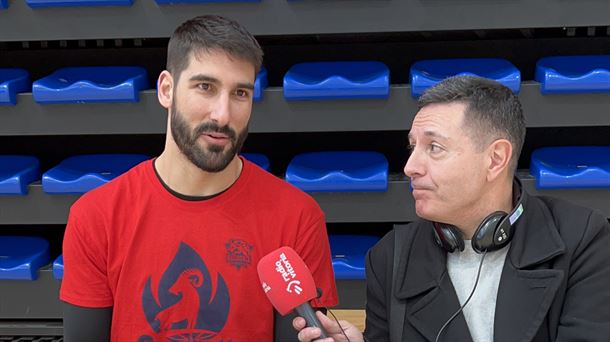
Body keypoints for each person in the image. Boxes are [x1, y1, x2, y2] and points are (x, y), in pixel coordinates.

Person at [60, 15, 338, 342]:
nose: (223, 114)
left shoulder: (297, 218)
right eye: (205, 87)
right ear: (167, 89)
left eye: (240, 93)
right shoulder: (96, 216)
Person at [294, 75, 610, 342]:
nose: (410, 167)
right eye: (412, 146)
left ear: (495, 159)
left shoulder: (582, 239)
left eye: (434, 147)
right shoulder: (390, 258)